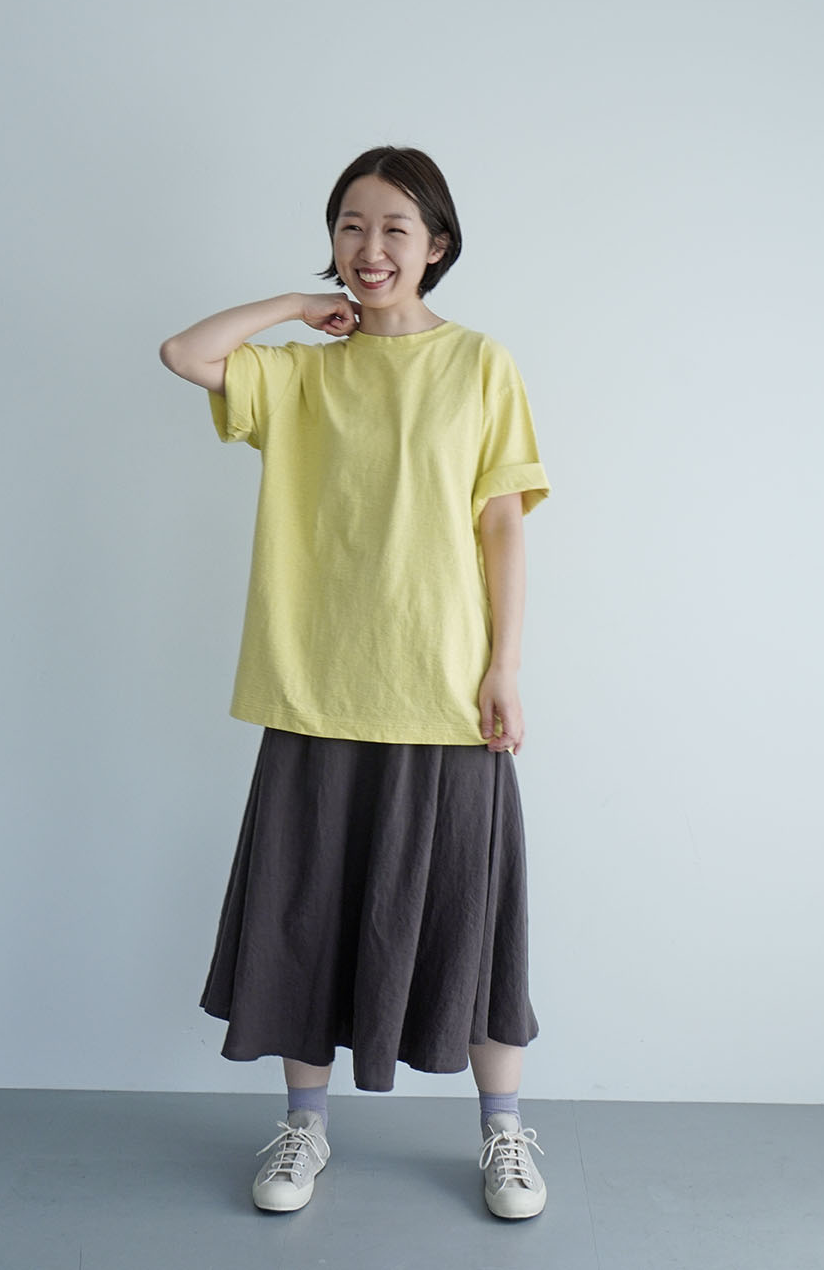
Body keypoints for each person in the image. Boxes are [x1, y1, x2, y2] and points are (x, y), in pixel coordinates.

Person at [159, 145, 551, 1220]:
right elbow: (185, 352)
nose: (369, 248)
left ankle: (504, 1134)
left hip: (444, 692)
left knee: (471, 915)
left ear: (437, 245)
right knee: (306, 914)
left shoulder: (480, 364)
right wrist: (297, 306)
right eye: (349, 226)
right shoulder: (299, 374)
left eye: (394, 228)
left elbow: (502, 526)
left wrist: (504, 666)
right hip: (316, 685)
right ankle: (305, 1126)